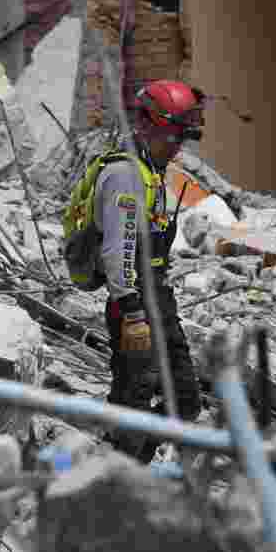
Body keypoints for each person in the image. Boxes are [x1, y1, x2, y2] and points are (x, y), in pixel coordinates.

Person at [67, 80, 206, 462]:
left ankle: (128, 462)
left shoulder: (152, 171)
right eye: (170, 136)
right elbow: (118, 248)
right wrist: (132, 312)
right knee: (135, 396)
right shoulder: (126, 174)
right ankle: (114, 476)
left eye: (181, 138)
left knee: (184, 398)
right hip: (134, 303)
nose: (176, 146)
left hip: (157, 297)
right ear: (145, 125)